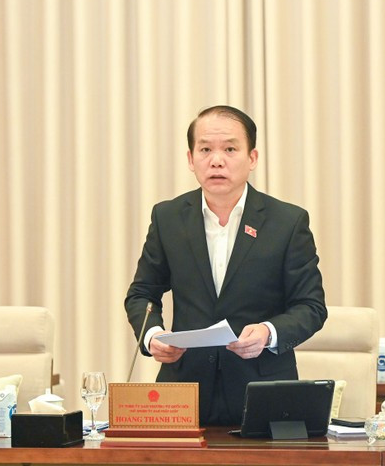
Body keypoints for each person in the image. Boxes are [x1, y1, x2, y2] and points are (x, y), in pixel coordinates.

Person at [125, 105, 327, 426]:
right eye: (205, 149)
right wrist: (152, 336)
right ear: (191, 159)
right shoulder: (168, 218)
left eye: (230, 149)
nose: (216, 160)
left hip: (262, 389)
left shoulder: (287, 222)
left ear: (253, 158)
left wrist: (268, 332)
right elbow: (142, 295)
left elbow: (311, 307)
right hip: (184, 390)